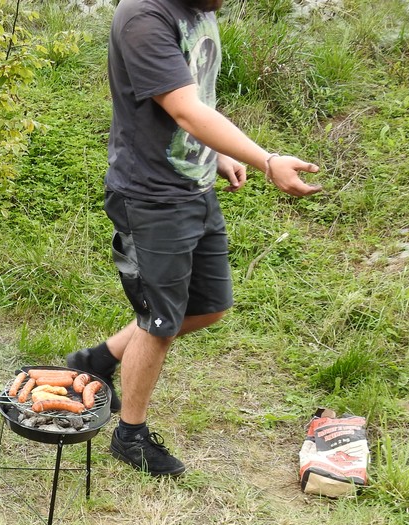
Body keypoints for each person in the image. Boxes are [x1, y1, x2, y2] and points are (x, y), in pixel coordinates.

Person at [65, 0, 322, 478]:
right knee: (160, 322)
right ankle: (130, 437)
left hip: (193, 187)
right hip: (151, 197)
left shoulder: (199, 8)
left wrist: (215, 153)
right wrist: (267, 161)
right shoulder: (144, 17)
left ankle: (96, 360)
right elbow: (184, 109)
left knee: (209, 306)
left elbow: (195, 93)